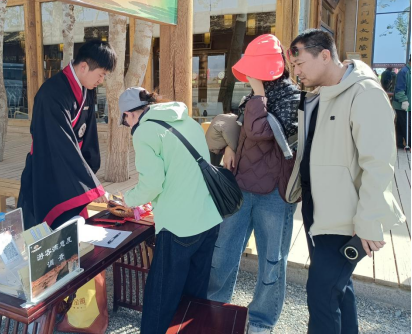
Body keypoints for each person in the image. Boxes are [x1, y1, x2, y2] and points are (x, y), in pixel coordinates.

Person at [286, 29, 406, 334]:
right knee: (338, 289)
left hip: (346, 218)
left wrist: (369, 220)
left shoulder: (364, 93)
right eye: (293, 66)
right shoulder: (321, 93)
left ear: (325, 55)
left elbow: (378, 164)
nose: (296, 72)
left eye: (300, 63)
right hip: (318, 209)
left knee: (321, 295)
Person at [208, 34, 300, 334]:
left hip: (274, 192)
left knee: (272, 259)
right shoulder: (252, 97)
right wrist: (231, 145)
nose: (249, 76)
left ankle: (261, 319)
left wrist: (259, 92)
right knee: (223, 250)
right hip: (242, 185)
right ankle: (213, 305)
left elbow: (262, 132)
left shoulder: (292, 97)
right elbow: (243, 127)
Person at [118, 87, 222, 334]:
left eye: (124, 120)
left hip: (179, 226)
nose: (127, 125)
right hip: (209, 218)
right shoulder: (187, 120)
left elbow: (153, 184)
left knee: (161, 299)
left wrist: (128, 199)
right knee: (195, 296)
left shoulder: (144, 131)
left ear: (130, 114)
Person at [17, 40, 117, 230]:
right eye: (101, 74)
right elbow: (61, 143)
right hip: (46, 169)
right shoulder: (51, 94)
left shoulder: (86, 91)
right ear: (84, 67)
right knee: (42, 231)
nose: (101, 80)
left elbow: (89, 137)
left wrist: (89, 177)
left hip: (71, 169)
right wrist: (90, 185)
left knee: (73, 230)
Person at [393, 58, 411, 149]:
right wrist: (404, 100)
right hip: (402, 105)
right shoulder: (404, 72)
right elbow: (399, 89)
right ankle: (409, 144)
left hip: (409, 104)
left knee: (400, 125)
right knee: (406, 125)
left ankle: (399, 144)